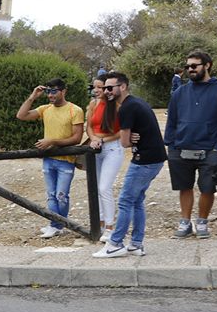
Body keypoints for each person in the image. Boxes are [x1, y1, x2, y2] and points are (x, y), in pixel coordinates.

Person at [93, 72, 166, 257]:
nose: (106, 91)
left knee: (126, 200)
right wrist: (131, 136)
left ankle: (115, 243)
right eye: (105, 88)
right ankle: (136, 244)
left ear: (123, 87)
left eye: (110, 88)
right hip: (155, 159)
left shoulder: (126, 108)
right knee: (137, 200)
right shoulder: (136, 102)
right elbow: (130, 137)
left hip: (144, 161)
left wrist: (131, 139)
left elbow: (124, 142)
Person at [163, 50, 217, 239]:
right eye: (187, 66)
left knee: (208, 187)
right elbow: (172, 120)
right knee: (184, 186)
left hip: (210, 149)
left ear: (207, 65)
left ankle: (202, 222)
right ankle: (184, 223)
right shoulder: (180, 92)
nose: (190, 69)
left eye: (194, 66)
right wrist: (171, 144)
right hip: (180, 148)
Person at [16, 78, 84, 238]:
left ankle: (60, 224)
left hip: (66, 160)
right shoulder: (45, 109)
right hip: (48, 160)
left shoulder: (75, 110)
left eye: (54, 91)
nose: (50, 95)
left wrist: (52, 141)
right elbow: (21, 115)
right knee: (51, 195)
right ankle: (54, 225)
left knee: (62, 195)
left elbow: (77, 138)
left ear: (63, 91)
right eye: (48, 91)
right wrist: (33, 97)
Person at [86, 76, 123, 242]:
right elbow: (89, 126)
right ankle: (99, 223)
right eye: (95, 87)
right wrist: (93, 138)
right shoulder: (93, 104)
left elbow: (121, 132)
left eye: (100, 87)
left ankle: (110, 226)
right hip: (95, 148)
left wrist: (102, 140)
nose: (97, 90)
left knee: (104, 187)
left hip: (112, 147)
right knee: (97, 187)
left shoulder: (116, 106)